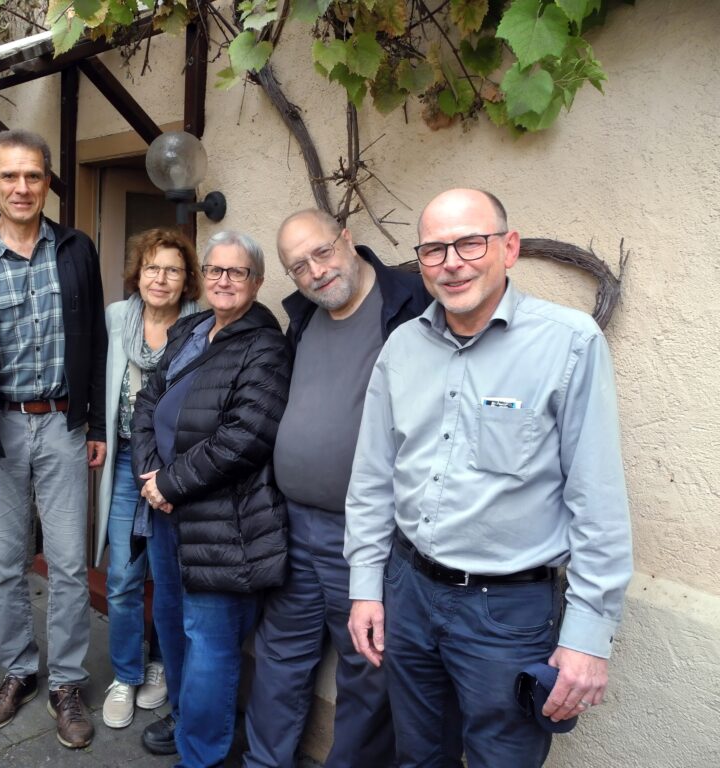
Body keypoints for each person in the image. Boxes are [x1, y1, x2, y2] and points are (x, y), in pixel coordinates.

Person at [345, 188, 633, 767]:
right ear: (421, 262)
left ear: (509, 247)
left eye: (470, 242)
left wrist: (587, 636)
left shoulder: (570, 343)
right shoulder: (402, 347)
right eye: (433, 250)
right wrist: (365, 586)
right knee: (418, 757)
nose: (452, 262)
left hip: (506, 615)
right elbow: (373, 476)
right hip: (409, 593)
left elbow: (597, 501)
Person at [241, 209, 430, 768]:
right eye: (298, 266)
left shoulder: (409, 306)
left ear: (347, 238)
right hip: (293, 524)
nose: (316, 271)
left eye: (322, 252)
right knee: (279, 659)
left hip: (368, 534)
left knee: (367, 669)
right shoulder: (303, 318)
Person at [0, 129, 107, 749]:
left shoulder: (76, 249)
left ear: (47, 181)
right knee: (4, 566)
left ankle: (65, 681)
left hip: (63, 423)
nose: (21, 187)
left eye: (33, 176)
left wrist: (93, 424)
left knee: (67, 563)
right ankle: (19, 672)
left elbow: (93, 340)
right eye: (9, 176)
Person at [131, 231, 292, 766]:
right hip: (166, 510)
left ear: (258, 282)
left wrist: (170, 483)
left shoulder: (265, 346)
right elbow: (146, 401)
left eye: (237, 272)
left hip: (224, 523)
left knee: (210, 642)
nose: (223, 280)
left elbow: (246, 436)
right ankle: (182, 718)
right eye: (215, 270)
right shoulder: (194, 328)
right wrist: (151, 475)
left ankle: (201, 754)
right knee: (172, 626)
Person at [94, 228, 201, 728]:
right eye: (153, 268)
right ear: (138, 273)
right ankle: (125, 673)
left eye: (173, 270)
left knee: (169, 575)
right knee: (122, 577)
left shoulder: (200, 327)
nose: (161, 278)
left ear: (187, 280)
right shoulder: (117, 318)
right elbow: (98, 380)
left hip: (177, 469)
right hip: (124, 467)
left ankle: (159, 666)